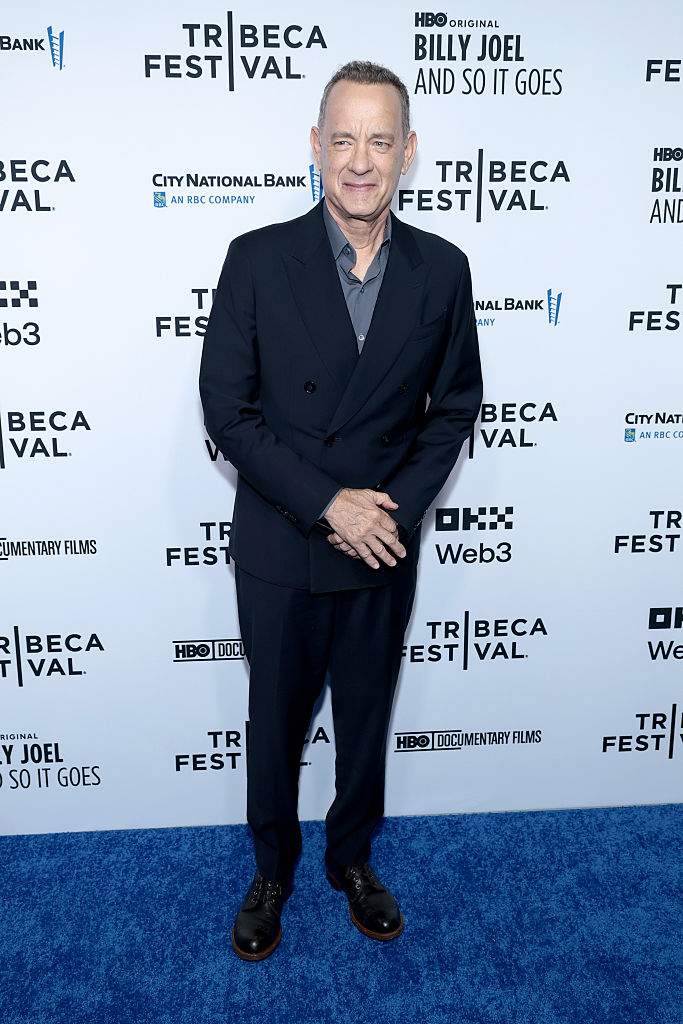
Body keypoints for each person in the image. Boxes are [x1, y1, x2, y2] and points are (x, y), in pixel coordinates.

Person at [199, 60, 482, 961]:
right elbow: (227, 413)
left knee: (364, 718)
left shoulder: (442, 270)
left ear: (408, 152)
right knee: (274, 724)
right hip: (282, 542)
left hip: (381, 543)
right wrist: (328, 505)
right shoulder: (255, 258)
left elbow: (456, 408)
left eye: (380, 140)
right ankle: (270, 870)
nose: (361, 160)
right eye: (344, 139)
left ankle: (352, 858)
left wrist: (387, 514)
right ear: (315, 145)